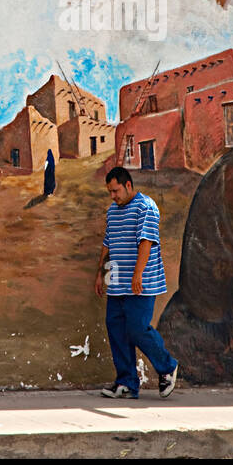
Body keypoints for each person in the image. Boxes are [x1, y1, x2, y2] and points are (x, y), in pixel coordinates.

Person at [95, 167, 180, 399]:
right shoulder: (113, 211)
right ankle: (127, 383)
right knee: (117, 331)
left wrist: (137, 274)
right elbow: (107, 243)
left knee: (137, 328)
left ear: (128, 185)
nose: (113, 196)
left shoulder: (146, 207)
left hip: (141, 282)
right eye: (110, 192)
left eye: (116, 190)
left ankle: (167, 367)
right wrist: (100, 274)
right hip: (117, 283)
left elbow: (146, 241)